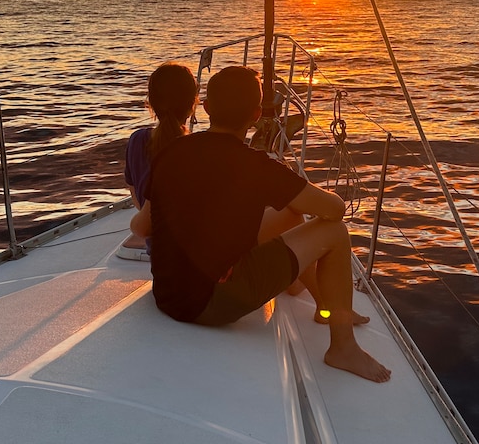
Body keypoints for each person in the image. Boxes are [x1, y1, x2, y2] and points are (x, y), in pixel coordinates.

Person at [146, 65, 390, 383]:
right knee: (334, 232)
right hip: (208, 303)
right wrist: (290, 186)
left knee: (290, 217)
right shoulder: (257, 167)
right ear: (257, 114)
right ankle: (342, 347)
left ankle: (325, 306)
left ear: (206, 108)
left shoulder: (172, 150)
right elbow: (335, 209)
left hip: (167, 293)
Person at [117, 62, 199, 261]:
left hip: (159, 256)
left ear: (151, 103)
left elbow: (136, 195)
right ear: (192, 105)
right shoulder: (199, 149)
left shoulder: (137, 140)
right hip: (197, 262)